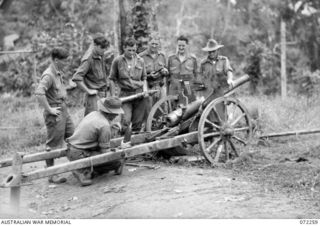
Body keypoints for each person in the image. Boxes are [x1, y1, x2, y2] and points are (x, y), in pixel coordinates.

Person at [35, 47, 75, 184]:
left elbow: (57, 90)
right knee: (53, 143)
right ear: (57, 60)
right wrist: (50, 109)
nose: (67, 63)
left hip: (64, 109)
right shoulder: (48, 75)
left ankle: (78, 166)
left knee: (73, 136)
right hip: (55, 112)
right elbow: (39, 93)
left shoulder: (58, 72)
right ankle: (51, 174)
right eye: (65, 61)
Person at [66, 97, 125, 186]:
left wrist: (111, 127)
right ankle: (82, 171)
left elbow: (94, 130)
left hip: (71, 149)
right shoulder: (104, 126)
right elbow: (104, 152)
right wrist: (118, 151)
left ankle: (87, 169)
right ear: (110, 113)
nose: (117, 115)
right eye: (116, 113)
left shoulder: (94, 114)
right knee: (118, 159)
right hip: (80, 155)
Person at [109, 37, 148, 133]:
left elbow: (144, 78)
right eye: (129, 50)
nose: (131, 52)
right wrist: (113, 96)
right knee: (125, 121)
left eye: (134, 50)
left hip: (139, 95)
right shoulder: (117, 61)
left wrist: (145, 90)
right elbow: (111, 79)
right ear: (124, 48)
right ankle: (123, 142)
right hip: (125, 95)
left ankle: (136, 143)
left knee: (138, 123)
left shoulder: (140, 60)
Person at [72, 33, 110, 116]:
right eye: (102, 48)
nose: (104, 50)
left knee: (102, 120)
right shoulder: (88, 59)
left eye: (105, 48)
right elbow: (76, 78)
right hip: (94, 96)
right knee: (93, 120)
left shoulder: (101, 54)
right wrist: (88, 91)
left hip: (103, 93)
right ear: (95, 45)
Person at [199, 39, 234, 120]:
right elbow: (200, 77)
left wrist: (230, 79)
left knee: (221, 113)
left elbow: (229, 70)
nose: (211, 53)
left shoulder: (223, 60)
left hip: (220, 91)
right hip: (208, 92)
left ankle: (223, 127)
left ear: (217, 50)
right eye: (209, 52)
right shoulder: (203, 63)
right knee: (204, 109)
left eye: (213, 51)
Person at [139, 35, 169, 124]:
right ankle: (148, 128)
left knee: (163, 108)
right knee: (148, 110)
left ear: (159, 45)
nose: (154, 46)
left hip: (161, 87)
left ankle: (162, 127)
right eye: (152, 43)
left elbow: (167, 71)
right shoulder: (141, 57)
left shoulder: (162, 56)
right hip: (149, 87)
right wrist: (148, 76)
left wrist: (165, 71)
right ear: (148, 43)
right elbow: (139, 76)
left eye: (156, 44)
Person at [167, 35, 198, 99]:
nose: (181, 47)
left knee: (190, 105)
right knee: (173, 107)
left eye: (183, 46)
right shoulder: (171, 59)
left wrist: (194, 92)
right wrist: (167, 92)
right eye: (179, 45)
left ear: (187, 45)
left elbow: (196, 75)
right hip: (174, 89)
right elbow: (167, 77)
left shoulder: (192, 59)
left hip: (188, 88)